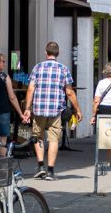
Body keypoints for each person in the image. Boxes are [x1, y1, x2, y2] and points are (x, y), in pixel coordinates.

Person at [23, 42, 81, 181]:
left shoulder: (38, 67)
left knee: (38, 136)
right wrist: (77, 109)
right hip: (55, 109)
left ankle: (41, 167)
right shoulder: (63, 69)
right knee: (54, 139)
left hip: (39, 109)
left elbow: (31, 89)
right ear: (58, 53)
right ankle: (50, 171)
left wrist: (27, 108)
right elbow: (69, 92)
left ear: (45, 52)